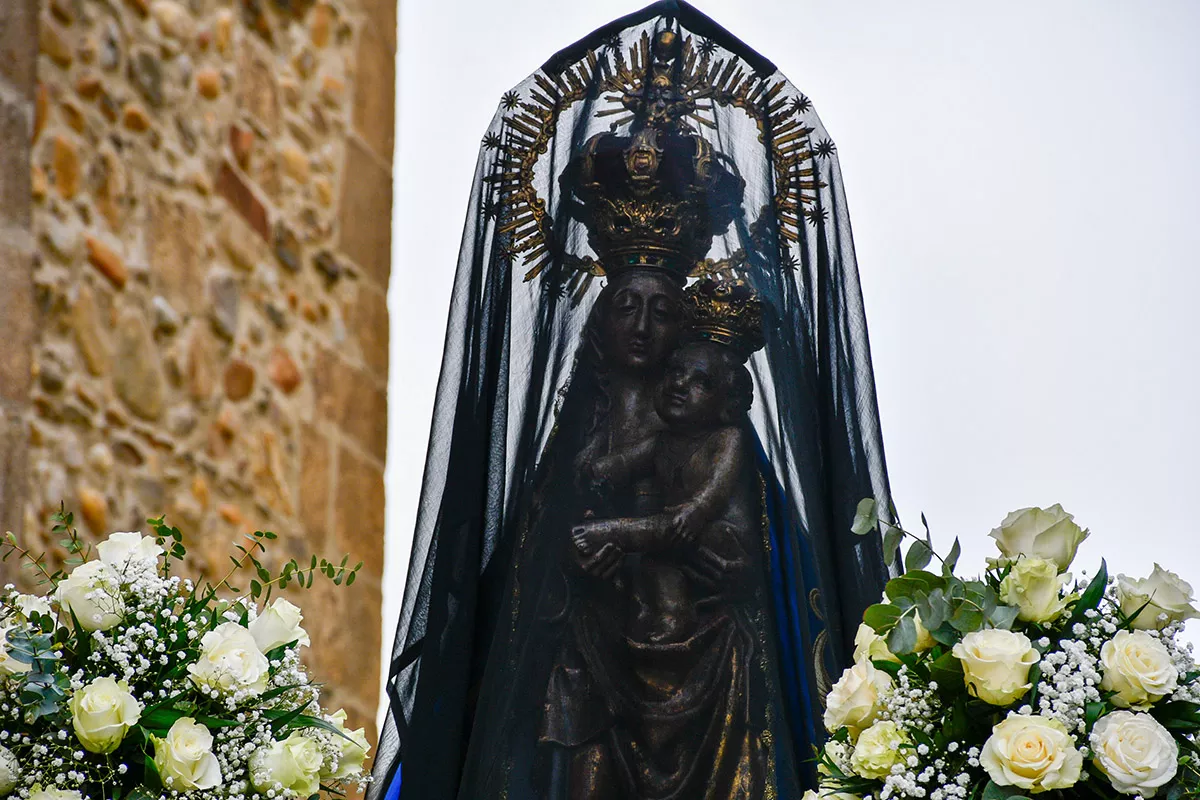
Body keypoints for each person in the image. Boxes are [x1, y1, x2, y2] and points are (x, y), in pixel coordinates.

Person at [371, 6, 893, 798]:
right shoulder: (578, 422)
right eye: (628, 307)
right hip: (588, 676)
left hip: (718, 673)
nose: (646, 327)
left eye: (661, 308)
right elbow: (534, 580)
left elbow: (750, 559)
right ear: (600, 315)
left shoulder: (720, 428)